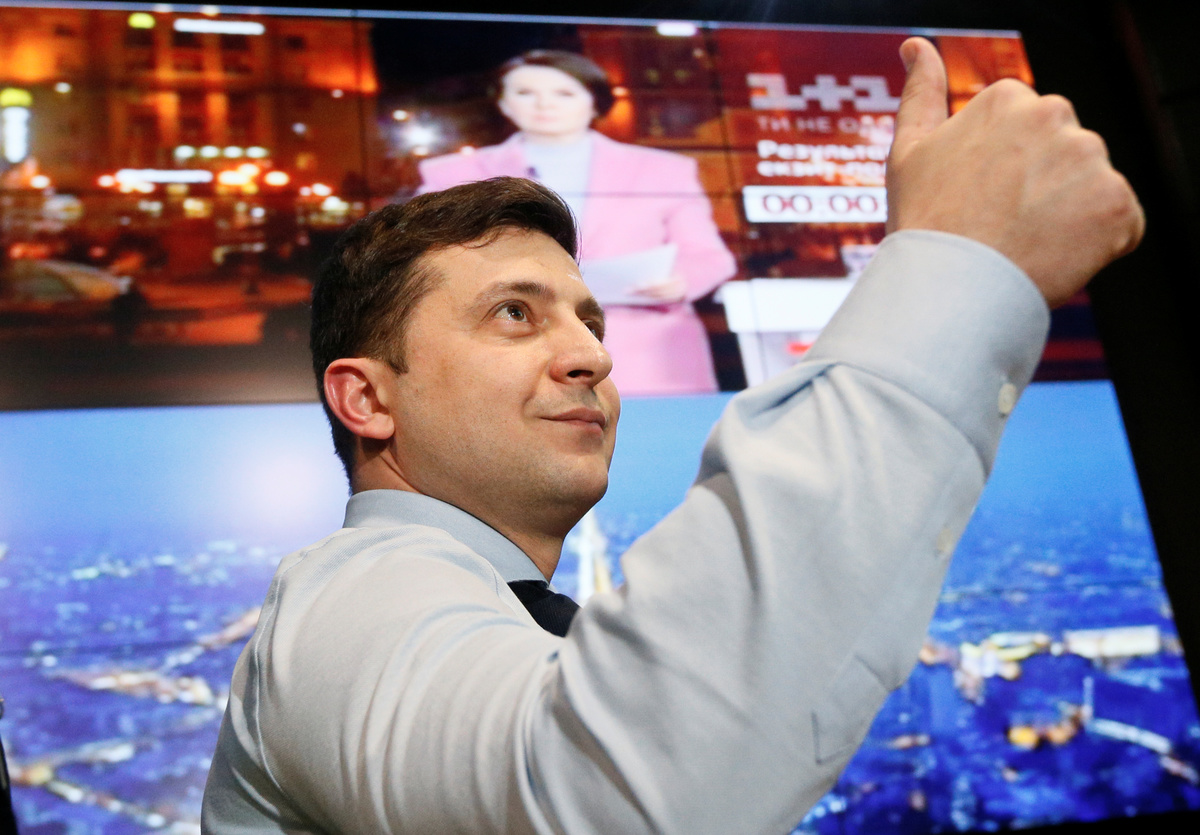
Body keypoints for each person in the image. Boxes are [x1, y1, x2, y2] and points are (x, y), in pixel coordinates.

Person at [202, 39, 1143, 834]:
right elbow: (603, 795)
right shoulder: (348, 598)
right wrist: (959, 270)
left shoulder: (485, 614)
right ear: (367, 400)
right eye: (514, 314)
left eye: (591, 322)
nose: (591, 356)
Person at [418, 49, 737, 396]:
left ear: (594, 101)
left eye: (564, 93)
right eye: (525, 93)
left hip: (648, 351)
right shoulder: (453, 173)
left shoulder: (664, 169)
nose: (544, 104)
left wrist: (680, 283)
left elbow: (710, 257)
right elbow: (429, 255)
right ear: (504, 104)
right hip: (510, 348)